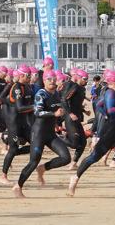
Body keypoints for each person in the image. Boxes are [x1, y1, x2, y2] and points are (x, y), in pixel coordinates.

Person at [67, 70, 115, 196]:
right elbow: (111, 109)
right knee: (94, 157)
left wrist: (105, 115)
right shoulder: (111, 93)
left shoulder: (114, 92)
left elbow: (98, 105)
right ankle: (75, 177)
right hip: (110, 131)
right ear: (113, 81)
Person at [13, 70, 71, 198]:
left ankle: (43, 168)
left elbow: (59, 109)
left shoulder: (56, 93)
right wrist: (53, 114)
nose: (52, 81)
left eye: (53, 79)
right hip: (38, 133)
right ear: (44, 80)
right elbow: (37, 112)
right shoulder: (41, 94)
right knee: (33, 162)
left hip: (50, 133)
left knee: (66, 158)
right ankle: (18, 186)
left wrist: (59, 119)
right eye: (49, 79)